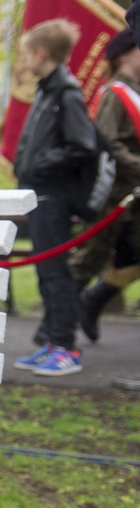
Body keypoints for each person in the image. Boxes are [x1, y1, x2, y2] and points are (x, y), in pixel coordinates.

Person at [11, 19, 97, 376]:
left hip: (54, 196)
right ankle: (51, 342)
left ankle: (65, 347)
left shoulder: (66, 93)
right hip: (39, 195)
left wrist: (42, 163)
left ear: (40, 53)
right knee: (46, 271)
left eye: (27, 52)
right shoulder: (48, 90)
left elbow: (83, 145)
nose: (25, 60)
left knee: (56, 272)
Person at [69, 28, 140, 341]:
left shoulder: (135, 91)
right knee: (87, 261)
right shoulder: (115, 93)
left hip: (135, 194)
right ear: (124, 54)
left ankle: (94, 301)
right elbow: (110, 143)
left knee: (134, 258)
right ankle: (56, 328)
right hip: (115, 194)